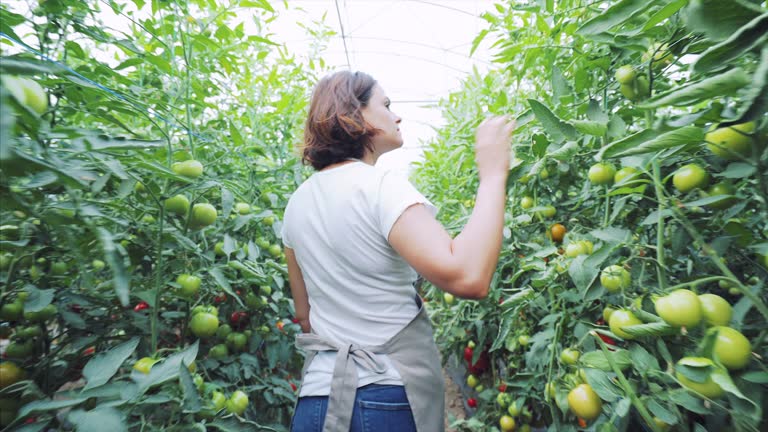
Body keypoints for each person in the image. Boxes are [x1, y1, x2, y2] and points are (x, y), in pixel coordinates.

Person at [282, 70, 514, 432]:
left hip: (317, 401)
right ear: (353, 115)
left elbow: (306, 315)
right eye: (386, 105)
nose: (397, 115)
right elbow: (469, 277)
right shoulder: (381, 187)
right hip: (381, 398)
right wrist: (493, 173)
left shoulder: (297, 205)